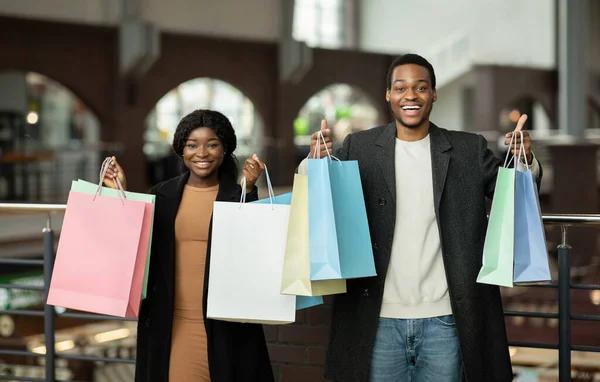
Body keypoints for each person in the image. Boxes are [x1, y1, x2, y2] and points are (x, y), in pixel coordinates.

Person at [301, 53, 541, 382]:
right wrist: (316, 160)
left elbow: (510, 192)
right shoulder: (360, 147)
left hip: (446, 319)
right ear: (388, 94)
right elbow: (320, 194)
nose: (410, 96)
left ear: (434, 94)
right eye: (400, 88)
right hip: (377, 319)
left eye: (421, 87)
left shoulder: (468, 149)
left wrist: (524, 159)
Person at [102, 109, 274, 382]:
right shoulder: (162, 193)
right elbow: (137, 246)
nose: (201, 153)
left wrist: (249, 190)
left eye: (212, 144)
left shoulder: (236, 194)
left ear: (225, 149)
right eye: (192, 145)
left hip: (226, 326)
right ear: (181, 150)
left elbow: (252, 249)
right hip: (171, 324)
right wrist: (119, 191)